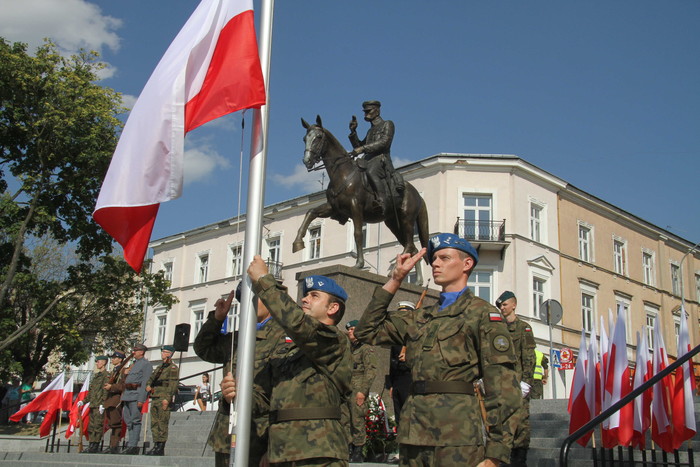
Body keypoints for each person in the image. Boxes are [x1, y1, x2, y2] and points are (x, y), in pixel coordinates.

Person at [354, 233, 520, 467]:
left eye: (444, 257)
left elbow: (503, 387)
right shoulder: (420, 316)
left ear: (467, 264)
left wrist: (496, 452)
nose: (435, 263)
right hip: (414, 432)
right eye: (434, 259)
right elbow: (366, 331)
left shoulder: (482, 315)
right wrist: (395, 280)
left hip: (456, 435)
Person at [223, 256, 352, 466]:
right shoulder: (286, 351)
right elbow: (265, 402)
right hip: (281, 453)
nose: (304, 299)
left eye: (314, 295)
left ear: (332, 308)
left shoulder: (334, 341)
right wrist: (238, 393)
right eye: (305, 294)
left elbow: (296, 322)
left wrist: (264, 279)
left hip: (318, 453)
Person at [193, 280, 286, 467]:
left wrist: (274, 446)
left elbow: (284, 397)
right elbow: (204, 349)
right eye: (244, 299)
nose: (249, 302)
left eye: (256, 297)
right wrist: (217, 319)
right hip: (227, 434)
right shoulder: (238, 337)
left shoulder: (284, 338)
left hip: (259, 435)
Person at [496, 291, 536, 467]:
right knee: (501, 427)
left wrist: (526, 381)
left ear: (513, 305)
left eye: (504, 305)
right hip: (500, 385)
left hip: (518, 384)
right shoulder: (498, 329)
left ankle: (520, 462)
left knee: (520, 427)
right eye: (500, 306)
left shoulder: (524, 328)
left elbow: (528, 356)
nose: (502, 308)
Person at [348, 100, 405, 208]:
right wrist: (353, 132)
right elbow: (358, 147)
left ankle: (381, 200)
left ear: (377, 111)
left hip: (381, 160)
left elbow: (384, 142)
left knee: (370, 172)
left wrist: (362, 148)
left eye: (368, 111)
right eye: (365, 112)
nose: (365, 114)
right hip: (368, 160)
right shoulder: (370, 131)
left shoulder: (387, 124)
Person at [345, 319, 377, 462]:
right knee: (345, 419)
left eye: (352, 329)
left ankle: (358, 450)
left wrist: (363, 392)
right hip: (346, 388)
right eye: (349, 329)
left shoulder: (365, 348)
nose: (350, 332)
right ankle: (348, 448)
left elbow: (370, 371)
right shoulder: (347, 348)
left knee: (357, 419)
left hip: (358, 387)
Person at [386, 302, 416, 429]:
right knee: (399, 415)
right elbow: (392, 363)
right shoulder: (397, 337)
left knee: (409, 415)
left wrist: (408, 356)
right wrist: (391, 384)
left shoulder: (416, 336)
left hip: (411, 378)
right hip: (398, 379)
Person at [145, 345, 179, 456]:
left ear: (170, 354)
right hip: (155, 397)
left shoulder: (172, 368)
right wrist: (148, 385)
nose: (162, 354)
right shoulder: (160, 368)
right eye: (162, 352)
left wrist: (167, 399)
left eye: (165, 352)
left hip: (163, 397)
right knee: (154, 423)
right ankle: (156, 444)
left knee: (162, 423)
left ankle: (161, 446)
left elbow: (173, 385)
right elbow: (151, 379)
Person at [120, 343, 152, 455]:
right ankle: (130, 444)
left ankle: (133, 445)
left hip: (136, 395)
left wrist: (141, 399)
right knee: (128, 421)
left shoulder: (146, 364)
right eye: (133, 350)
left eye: (136, 350)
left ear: (141, 352)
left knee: (135, 421)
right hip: (128, 394)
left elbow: (145, 383)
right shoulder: (133, 364)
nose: (133, 353)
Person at [81, 355, 109, 453]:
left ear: (104, 362)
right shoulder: (96, 376)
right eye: (96, 362)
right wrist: (83, 401)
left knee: (97, 426)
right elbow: (91, 392)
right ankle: (91, 443)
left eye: (98, 362)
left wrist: (103, 403)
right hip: (93, 404)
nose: (97, 363)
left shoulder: (106, 375)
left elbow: (105, 390)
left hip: (99, 405)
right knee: (91, 426)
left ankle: (95, 445)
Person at [103, 351, 127, 454]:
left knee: (116, 424)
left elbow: (124, 386)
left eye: (114, 358)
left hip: (116, 400)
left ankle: (114, 446)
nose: (112, 359)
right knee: (112, 423)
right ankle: (111, 445)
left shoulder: (123, 371)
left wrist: (111, 387)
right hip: (110, 400)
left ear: (120, 359)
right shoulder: (115, 370)